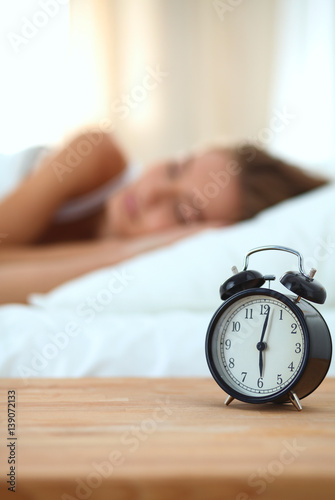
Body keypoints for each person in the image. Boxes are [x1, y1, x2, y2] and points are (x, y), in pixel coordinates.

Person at [0, 131, 328, 304]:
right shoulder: (97, 154)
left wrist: (132, 252)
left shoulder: (128, 269)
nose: (153, 192)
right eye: (174, 169)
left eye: (183, 211)